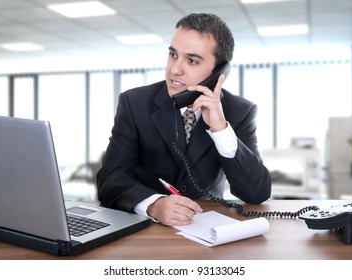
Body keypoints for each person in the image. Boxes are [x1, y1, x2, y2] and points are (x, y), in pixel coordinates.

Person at [96, 13, 271, 226]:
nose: (175, 69)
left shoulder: (240, 111)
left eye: (192, 60)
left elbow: (257, 194)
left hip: (206, 227)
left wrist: (221, 129)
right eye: (173, 55)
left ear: (218, 72)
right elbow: (110, 179)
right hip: (144, 228)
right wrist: (154, 204)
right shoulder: (134, 103)